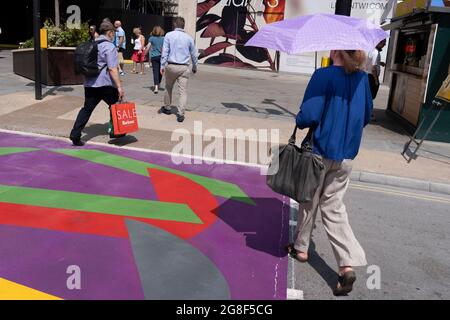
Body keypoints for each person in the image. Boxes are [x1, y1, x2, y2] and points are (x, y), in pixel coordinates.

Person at [287, 49, 373, 296]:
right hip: (346, 155)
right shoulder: (363, 80)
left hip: (319, 150)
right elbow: (366, 116)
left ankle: (301, 249)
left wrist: (302, 116)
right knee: (334, 208)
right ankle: (346, 265)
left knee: (308, 199)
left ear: (335, 50)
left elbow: (308, 117)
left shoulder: (323, 76)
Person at [69, 21, 125, 147]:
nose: (114, 36)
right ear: (110, 33)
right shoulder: (109, 47)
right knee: (116, 105)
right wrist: (119, 86)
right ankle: (116, 132)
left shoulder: (93, 44)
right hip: (105, 84)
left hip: (90, 83)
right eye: (113, 34)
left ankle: (75, 134)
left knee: (86, 109)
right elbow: (112, 68)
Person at [160, 17, 198, 123]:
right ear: (183, 25)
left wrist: (162, 66)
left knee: (168, 87)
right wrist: (195, 66)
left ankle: (167, 107)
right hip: (184, 67)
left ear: (174, 25)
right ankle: (181, 114)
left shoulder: (169, 35)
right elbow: (194, 55)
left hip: (171, 66)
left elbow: (165, 52)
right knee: (183, 91)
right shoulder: (189, 38)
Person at [144, 26, 165, 94]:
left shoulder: (151, 38)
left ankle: (156, 87)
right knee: (161, 71)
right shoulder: (163, 38)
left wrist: (145, 54)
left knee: (155, 72)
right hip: (162, 57)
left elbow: (148, 47)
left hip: (154, 57)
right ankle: (158, 84)